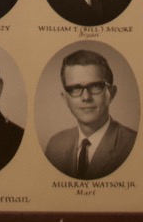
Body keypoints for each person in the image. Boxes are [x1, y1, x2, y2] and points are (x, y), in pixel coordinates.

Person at [44, 49, 137, 179]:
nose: (86, 97)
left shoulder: (132, 145)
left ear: (111, 93)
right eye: (75, 88)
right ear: (65, 98)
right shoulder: (55, 146)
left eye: (95, 86)